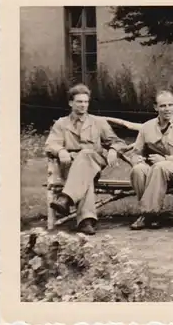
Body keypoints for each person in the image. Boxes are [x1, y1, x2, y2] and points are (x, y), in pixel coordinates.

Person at [45, 84, 128, 235]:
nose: (83, 105)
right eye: (79, 102)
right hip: (70, 168)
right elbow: (51, 144)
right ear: (71, 103)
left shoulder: (98, 122)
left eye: (86, 102)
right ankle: (85, 222)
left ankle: (66, 198)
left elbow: (118, 142)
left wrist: (113, 150)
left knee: (85, 155)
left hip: (94, 163)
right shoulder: (61, 124)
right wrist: (61, 150)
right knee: (85, 177)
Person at [129, 90, 173, 230]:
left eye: (170, 105)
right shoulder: (146, 127)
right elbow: (135, 152)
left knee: (160, 167)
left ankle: (147, 215)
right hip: (153, 170)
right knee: (138, 170)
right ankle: (154, 215)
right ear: (156, 107)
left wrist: (165, 158)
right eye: (163, 106)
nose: (167, 109)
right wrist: (138, 160)